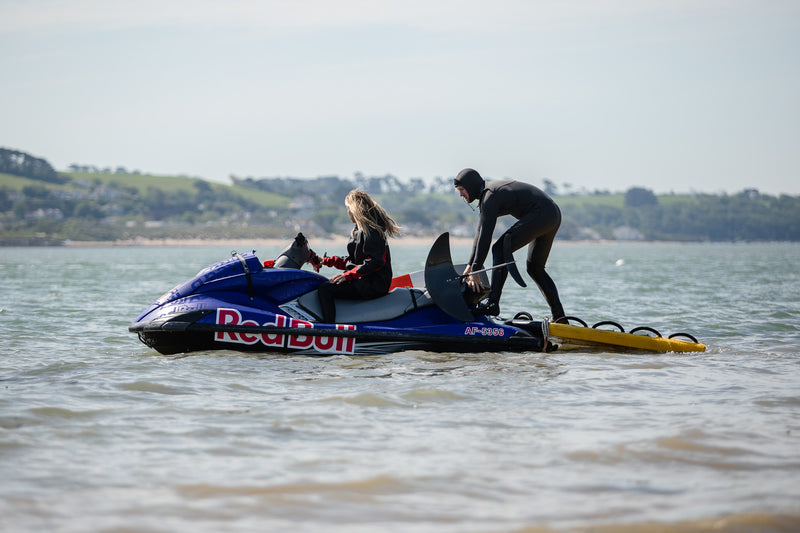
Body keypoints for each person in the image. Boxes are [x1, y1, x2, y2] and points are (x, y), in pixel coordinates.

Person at [454, 168, 565, 319]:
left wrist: (476, 269)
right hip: (551, 215)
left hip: (543, 213)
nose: (460, 194)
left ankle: (492, 303)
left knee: (499, 249)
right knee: (535, 268)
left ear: (471, 186)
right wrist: (470, 265)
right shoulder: (487, 197)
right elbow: (479, 234)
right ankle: (560, 317)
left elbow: (486, 237)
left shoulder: (490, 197)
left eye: (462, 189)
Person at [313, 190, 400, 324]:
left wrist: (347, 276)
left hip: (375, 284)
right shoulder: (358, 230)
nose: (347, 213)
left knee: (325, 289)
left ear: (353, 209)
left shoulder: (372, 231)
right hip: (364, 280)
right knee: (324, 283)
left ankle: (328, 328)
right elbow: (352, 261)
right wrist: (325, 261)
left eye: (347, 208)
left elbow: (376, 261)